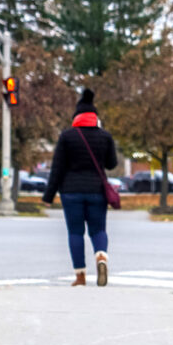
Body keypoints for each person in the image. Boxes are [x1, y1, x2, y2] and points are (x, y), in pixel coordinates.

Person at [43, 88, 119, 286]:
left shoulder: (67, 136)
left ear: (77, 117)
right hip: (97, 191)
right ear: (95, 117)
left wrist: (48, 196)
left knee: (76, 232)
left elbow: (57, 168)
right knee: (98, 230)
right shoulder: (105, 136)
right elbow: (112, 164)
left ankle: (80, 276)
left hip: (71, 192)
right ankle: (101, 256)